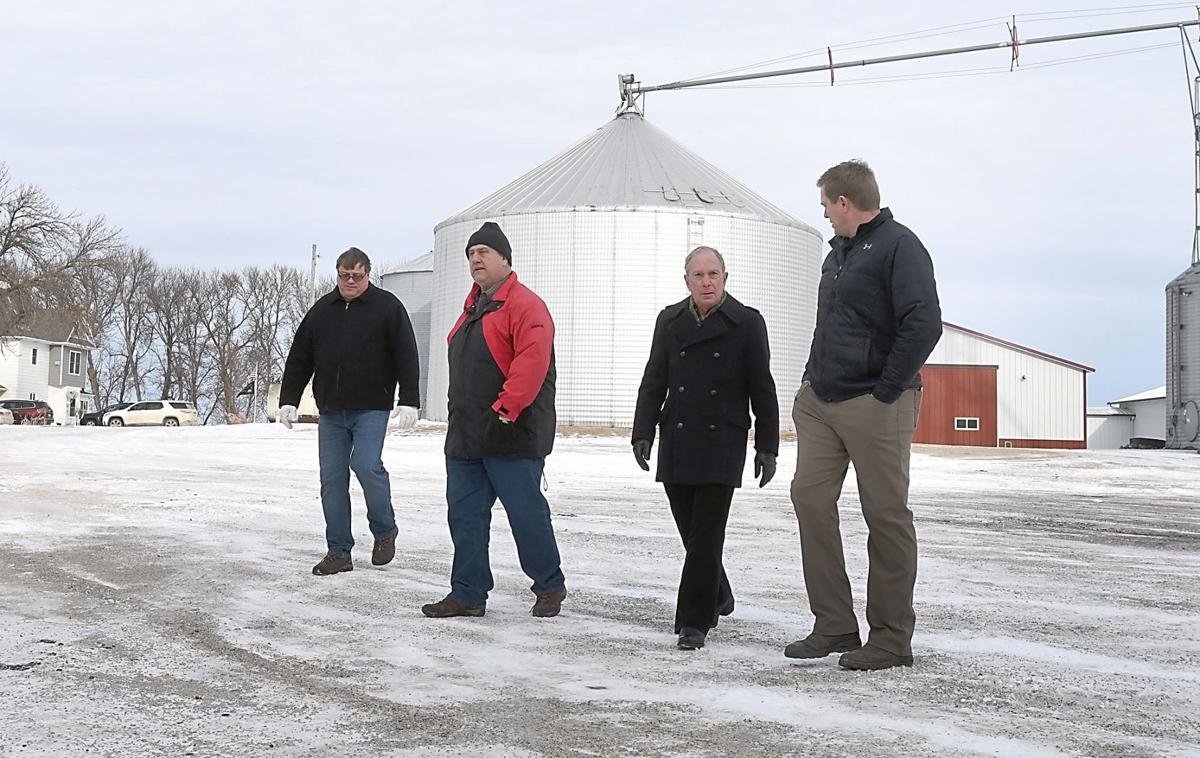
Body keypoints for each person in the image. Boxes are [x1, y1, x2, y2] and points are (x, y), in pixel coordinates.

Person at [787, 160, 942, 670]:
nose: (825, 215)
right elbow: (830, 324)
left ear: (844, 202)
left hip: (876, 403)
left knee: (885, 515)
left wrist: (886, 391)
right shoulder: (837, 254)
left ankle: (891, 639)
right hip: (822, 401)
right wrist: (809, 381)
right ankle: (834, 624)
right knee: (810, 499)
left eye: (826, 205)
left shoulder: (900, 246)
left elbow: (924, 323)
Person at [632, 246, 779, 650]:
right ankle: (719, 592)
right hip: (678, 438)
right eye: (698, 275)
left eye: (713, 274)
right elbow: (654, 378)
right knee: (691, 532)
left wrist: (767, 446)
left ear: (725, 277)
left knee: (706, 535)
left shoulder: (747, 322)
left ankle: (693, 621)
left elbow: (762, 387)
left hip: (722, 440)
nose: (707, 282)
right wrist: (642, 431)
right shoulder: (669, 320)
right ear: (687, 282)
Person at [421, 221, 567, 619]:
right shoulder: (472, 308)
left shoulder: (525, 305)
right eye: (471, 254)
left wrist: (505, 413)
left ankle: (549, 584)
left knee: (525, 513)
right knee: (465, 517)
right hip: (466, 435)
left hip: (512, 432)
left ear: (505, 258)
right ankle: (467, 593)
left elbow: (531, 364)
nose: (475, 259)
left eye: (483, 252)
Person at [279, 247, 421, 576]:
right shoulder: (321, 312)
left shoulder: (387, 307)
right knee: (331, 480)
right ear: (338, 274)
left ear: (368, 274)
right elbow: (300, 357)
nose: (351, 281)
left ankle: (384, 530)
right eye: (345, 275)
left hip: (371, 407)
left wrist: (410, 399)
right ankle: (339, 552)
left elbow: (406, 354)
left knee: (366, 465)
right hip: (331, 411)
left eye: (357, 275)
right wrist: (289, 399)